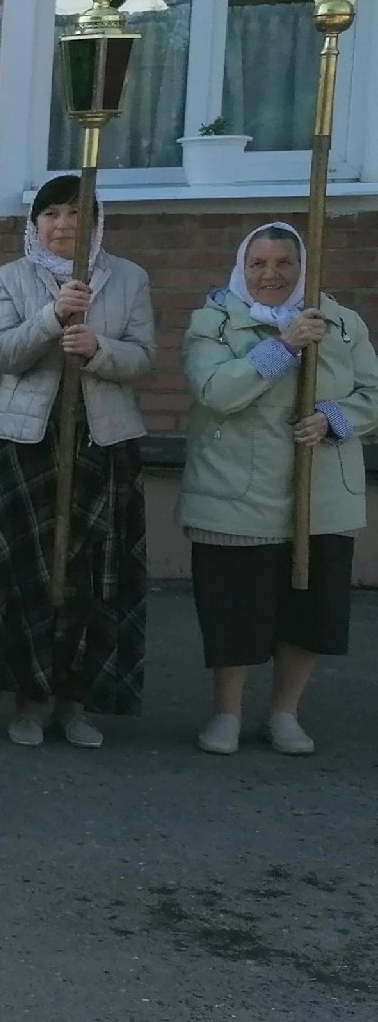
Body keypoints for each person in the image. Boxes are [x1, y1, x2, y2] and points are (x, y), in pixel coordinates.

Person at [0, 176, 154, 746]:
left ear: (95, 223)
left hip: (103, 443)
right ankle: (26, 700)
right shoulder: (11, 279)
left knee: (94, 571)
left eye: (77, 214)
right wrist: (51, 316)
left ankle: (77, 703)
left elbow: (143, 356)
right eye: (51, 213)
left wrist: (100, 350)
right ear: (35, 223)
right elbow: (2, 353)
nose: (64, 225)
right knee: (27, 572)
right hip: (28, 444)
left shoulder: (129, 278)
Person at [179, 220, 378, 755]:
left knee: (309, 608)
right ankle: (226, 713)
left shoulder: (340, 322)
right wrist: (284, 347)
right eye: (259, 264)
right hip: (236, 490)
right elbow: (216, 391)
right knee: (235, 608)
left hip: (320, 493)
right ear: (243, 269)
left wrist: (334, 417)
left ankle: (285, 713)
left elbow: (373, 392)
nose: (272, 274)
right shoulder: (215, 321)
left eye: (284, 263)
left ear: (303, 269)